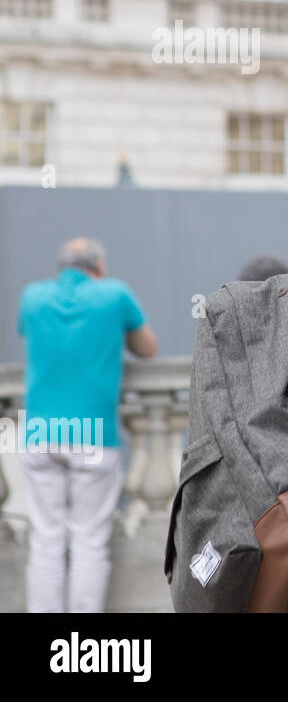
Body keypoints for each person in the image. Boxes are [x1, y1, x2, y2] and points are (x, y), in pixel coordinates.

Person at [17, 237, 157, 612]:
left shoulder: (32, 297)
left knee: (46, 541)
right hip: (93, 433)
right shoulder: (113, 294)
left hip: (40, 433)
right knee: (88, 541)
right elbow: (147, 348)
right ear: (97, 266)